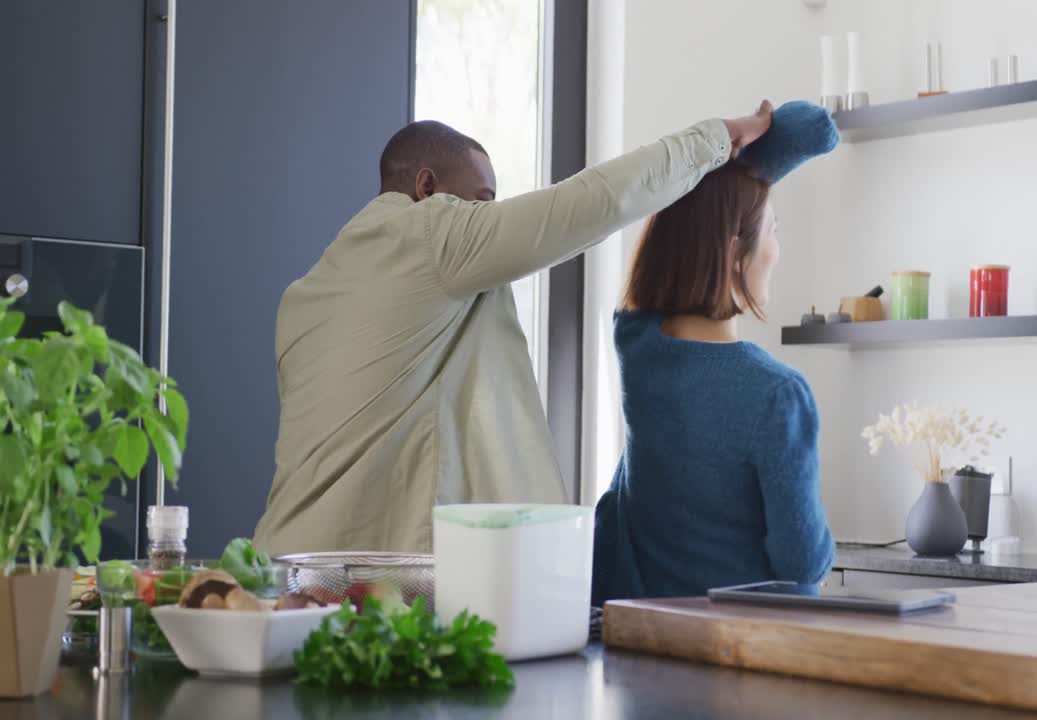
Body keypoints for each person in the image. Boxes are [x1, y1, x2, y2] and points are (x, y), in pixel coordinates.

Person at [253, 103, 774, 555]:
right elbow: (594, 200)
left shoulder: (308, 294)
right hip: (370, 581)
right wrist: (715, 139)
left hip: (285, 570)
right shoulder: (430, 234)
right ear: (427, 187)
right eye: (482, 200)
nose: (489, 216)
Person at [592, 159, 835, 605]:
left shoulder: (636, 349)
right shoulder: (777, 395)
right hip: (738, 645)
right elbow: (800, 561)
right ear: (733, 251)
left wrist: (725, 171)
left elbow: (646, 288)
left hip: (638, 638)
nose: (777, 249)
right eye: (773, 230)